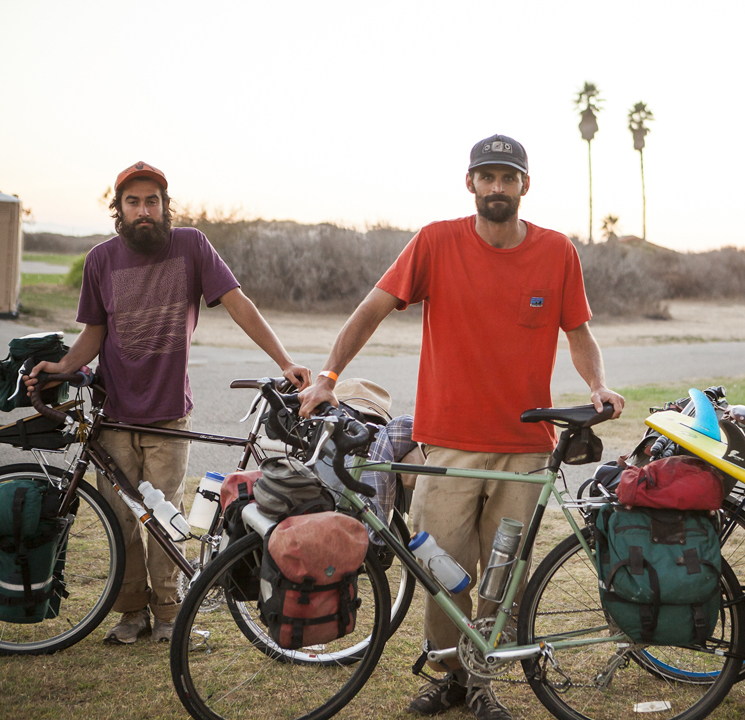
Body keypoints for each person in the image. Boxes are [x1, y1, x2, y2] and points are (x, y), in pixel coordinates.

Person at [299, 134, 624, 720]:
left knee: (501, 582)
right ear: (470, 183)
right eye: (487, 177)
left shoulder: (557, 252)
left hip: (525, 446)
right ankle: (448, 675)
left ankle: (482, 684)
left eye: (508, 177)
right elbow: (372, 308)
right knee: (441, 571)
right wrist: (327, 375)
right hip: (446, 444)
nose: (497, 187)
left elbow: (577, 331)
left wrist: (597, 385)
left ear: (525, 186)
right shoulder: (435, 241)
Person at [28, 161, 310, 644]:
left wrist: (284, 361)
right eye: (133, 202)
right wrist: (63, 367)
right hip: (112, 413)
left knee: (165, 518)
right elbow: (94, 332)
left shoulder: (191, 246)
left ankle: (169, 616)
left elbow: (239, 303)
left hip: (169, 414)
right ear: (117, 209)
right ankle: (130, 615)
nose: (144, 210)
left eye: (152, 201)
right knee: (121, 522)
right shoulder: (100, 260)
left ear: (165, 205)